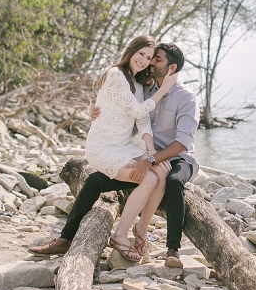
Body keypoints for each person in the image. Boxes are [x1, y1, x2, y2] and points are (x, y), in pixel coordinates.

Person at [29, 42, 199, 268]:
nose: (149, 62)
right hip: (137, 152)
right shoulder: (145, 89)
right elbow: (133, 118)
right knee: (94, 181)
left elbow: (182, 142)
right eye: (147, 56)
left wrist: (149, 158)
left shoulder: (185, 97)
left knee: (173, 181)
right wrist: (99, 113)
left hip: (177, 157)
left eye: (155, 59)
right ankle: (66, 238)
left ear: (171, 68)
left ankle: (171, 250)